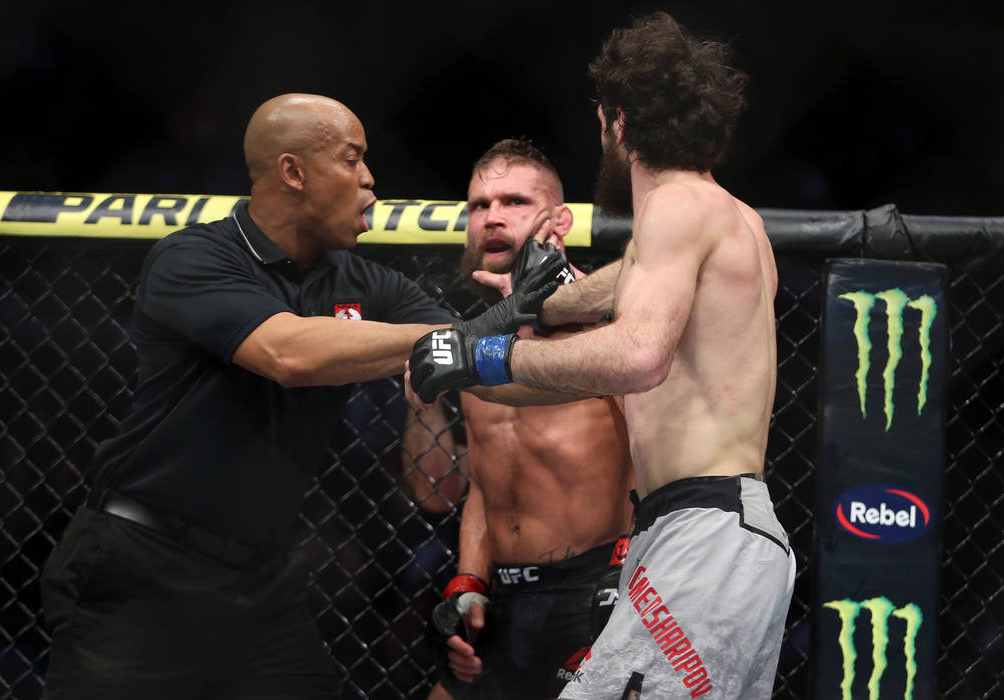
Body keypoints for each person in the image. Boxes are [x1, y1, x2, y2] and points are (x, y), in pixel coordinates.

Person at [39, 93, 564, 700]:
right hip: (142, 564)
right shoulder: (194, 258)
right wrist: (465, 335)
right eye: (352, 159)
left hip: (261, 577)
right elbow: (287, 355)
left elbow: (480, 364)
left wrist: (584, 345)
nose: (370, 178)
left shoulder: (364, 280)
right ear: (293, 172)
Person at [409, 13, 795, 699]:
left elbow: (638, 353)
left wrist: (486, 357)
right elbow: (602, 301)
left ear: (616, 123)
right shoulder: (731, 217)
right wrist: (521, 313)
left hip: (701, 534)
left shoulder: (675, 207)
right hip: (715, 531)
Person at [402, 139, 634, 700]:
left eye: (513, 201)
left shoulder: (611, 326)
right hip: (502, 600)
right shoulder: (468, 340)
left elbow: (660, 460)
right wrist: (469, 582)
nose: (493, 217)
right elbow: (462, 487)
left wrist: (629, 581)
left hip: (597, 587)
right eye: (479, 205)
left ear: (559, 221)